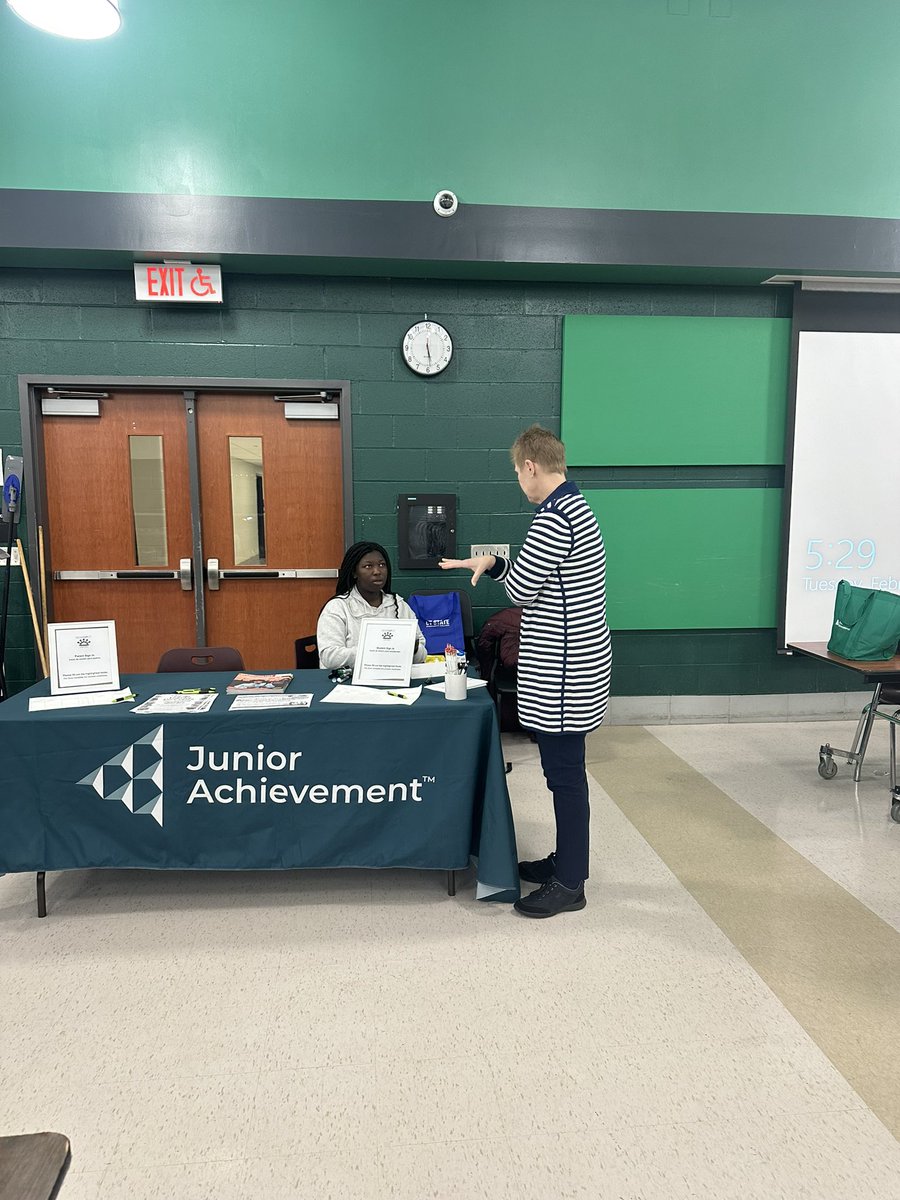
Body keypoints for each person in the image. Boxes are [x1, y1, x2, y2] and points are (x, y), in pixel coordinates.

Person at [440, 425, 612, 918]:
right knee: (566, 773)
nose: (519, 480)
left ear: (531, 466)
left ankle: (570, 884)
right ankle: (568, 862)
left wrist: (493, 564)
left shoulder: (553, 518)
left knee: (564, 776)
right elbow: (539, 579)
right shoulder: (576, 509)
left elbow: (519, 590)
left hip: (564, 673)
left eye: (518, 472)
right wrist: (497, 561)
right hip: (578, 664)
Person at [317, 541, 427, 671]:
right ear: (354, 572)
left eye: (382, 565)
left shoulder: (399, 605)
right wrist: (379, 651)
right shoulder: (337, 607)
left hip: (392, 678)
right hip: (348, 683)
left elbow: (421, 655)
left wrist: (413, 649)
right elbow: (330, 657)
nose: (377, 571)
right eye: (368, 566)